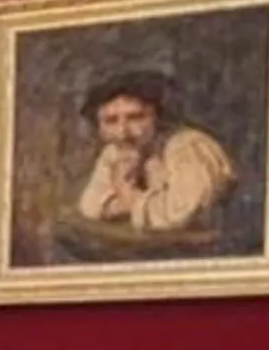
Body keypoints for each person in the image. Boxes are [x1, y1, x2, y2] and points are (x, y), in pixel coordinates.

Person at [73, 69, 236, 234]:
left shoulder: (189, 147)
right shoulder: (117, 150)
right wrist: (138, 203)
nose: (123, 132)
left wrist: (123, 189)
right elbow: (90, 207)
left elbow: (178, 215)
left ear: (157, 117)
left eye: (136, 118)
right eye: (110, 121)